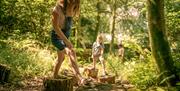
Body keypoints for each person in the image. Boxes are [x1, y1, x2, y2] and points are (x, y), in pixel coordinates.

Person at [51, 0, 85, 85]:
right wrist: (66, 41)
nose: (74, 6)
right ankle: (80, 78)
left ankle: (54, 76)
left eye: (76, 4)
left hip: (65, 37)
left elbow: (68, 26)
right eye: (72, 3)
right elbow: (56, 28)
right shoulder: (56, 10)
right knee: (71, 52)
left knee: (61, 59)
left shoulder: (73, 8)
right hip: (57, 37)